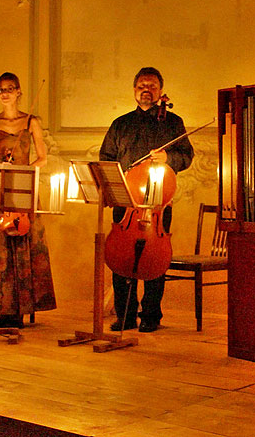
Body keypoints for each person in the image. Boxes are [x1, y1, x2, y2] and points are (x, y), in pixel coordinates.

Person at [99, 67, 194, 333]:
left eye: (152, 85)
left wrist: (169, 159)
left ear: (160, 91)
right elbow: (106, 157)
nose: (147, 89)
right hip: (126, 202)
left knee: (155, 260)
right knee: (121, 259)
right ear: (134, 90)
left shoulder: (173, 123)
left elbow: (186, 155)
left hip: (158, 202)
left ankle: (151, 316)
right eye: (142, 85)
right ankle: (125, 316)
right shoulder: (121, 124)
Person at [0, 72, 57, 328]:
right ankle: (1, 306)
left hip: (23, 189)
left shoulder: (31, 123)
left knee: (24, 247)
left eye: (9, 88)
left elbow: (42, 158)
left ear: (18, 92)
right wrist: (0, 168)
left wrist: (22, 171)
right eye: (0, 89)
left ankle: (21, 307)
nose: (4, 93)